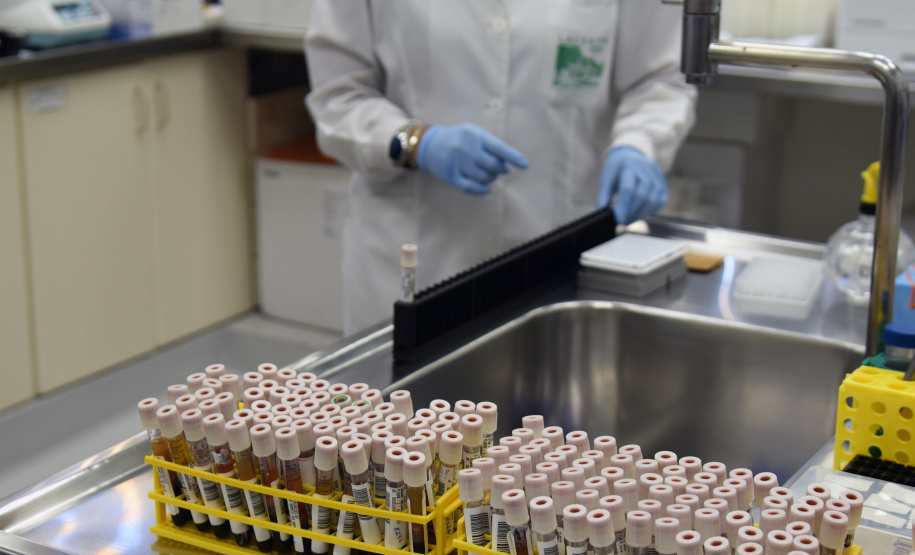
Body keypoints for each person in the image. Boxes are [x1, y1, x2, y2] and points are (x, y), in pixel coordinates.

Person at [305, 1, 697, 334]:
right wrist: (414, 141)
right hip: (414, 256)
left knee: (546, 417)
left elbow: (660, 80)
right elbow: (337, 94)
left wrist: (640, 145)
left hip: (555, 253)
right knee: (403, 418)